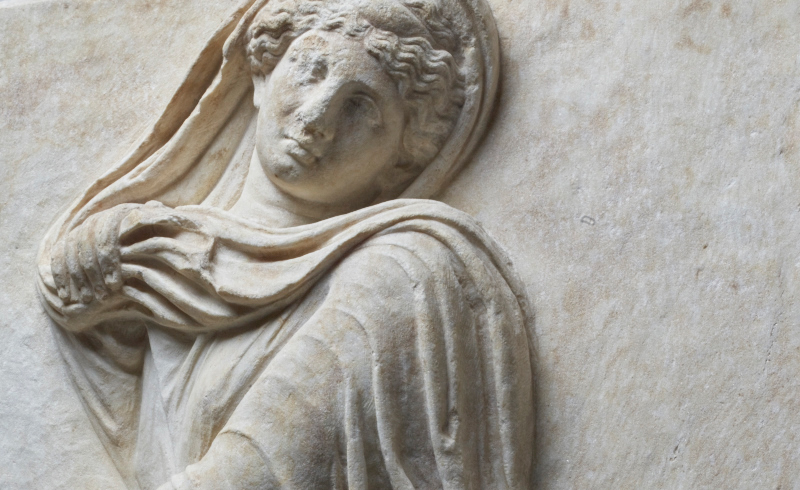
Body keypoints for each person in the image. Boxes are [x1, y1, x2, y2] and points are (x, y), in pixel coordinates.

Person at [37, 0, 534, 488]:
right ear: (262, 74)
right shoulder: (150, 253)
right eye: (310, 68)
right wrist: (116, 265)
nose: (318, 117)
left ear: (406, 156)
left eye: (361, 106)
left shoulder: (404, 272)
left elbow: (255, 474)